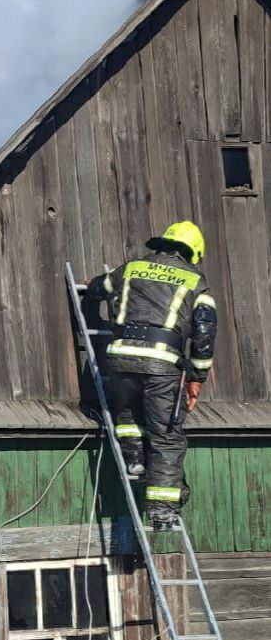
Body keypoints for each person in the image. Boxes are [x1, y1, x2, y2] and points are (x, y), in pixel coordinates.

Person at [86, 221, 217, 531]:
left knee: (127, 413)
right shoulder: (196, 282)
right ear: (193, 252)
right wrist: (197, 378)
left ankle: (134, 459)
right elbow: (204, 334)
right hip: (162, 366)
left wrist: (91, 284)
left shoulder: (132, 268)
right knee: (166, 438)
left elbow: (99, 288)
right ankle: (162, 512)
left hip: (119, 359)